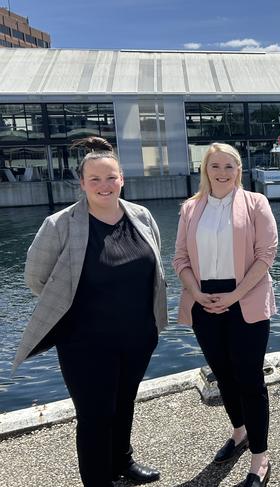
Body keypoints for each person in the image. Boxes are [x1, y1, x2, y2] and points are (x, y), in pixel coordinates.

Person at [14, 137, 168, 487]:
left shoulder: (141, 216)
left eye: (110, 178)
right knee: (96, 416)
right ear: (81, 183)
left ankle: (121, 461)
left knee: (125, 402)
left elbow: (154, 268)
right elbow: (36, 277)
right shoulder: (60, 225)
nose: (104, 185)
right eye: (94, 179)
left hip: (137, 336)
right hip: (85, 342)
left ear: (122, 179)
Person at [173, 142, 277, 487]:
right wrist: (198, 293)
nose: (222, 173)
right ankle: (240, 432)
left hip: (244, 299)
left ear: (239, 170)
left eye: (229, 167)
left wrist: (234, 294)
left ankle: (260, 457)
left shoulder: (256, 203)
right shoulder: (190, 208)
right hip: (203, 302)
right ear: (205, 169)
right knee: (223, 375)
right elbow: (180, 259)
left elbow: (266, 255)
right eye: (215, 166)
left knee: (249, 380)